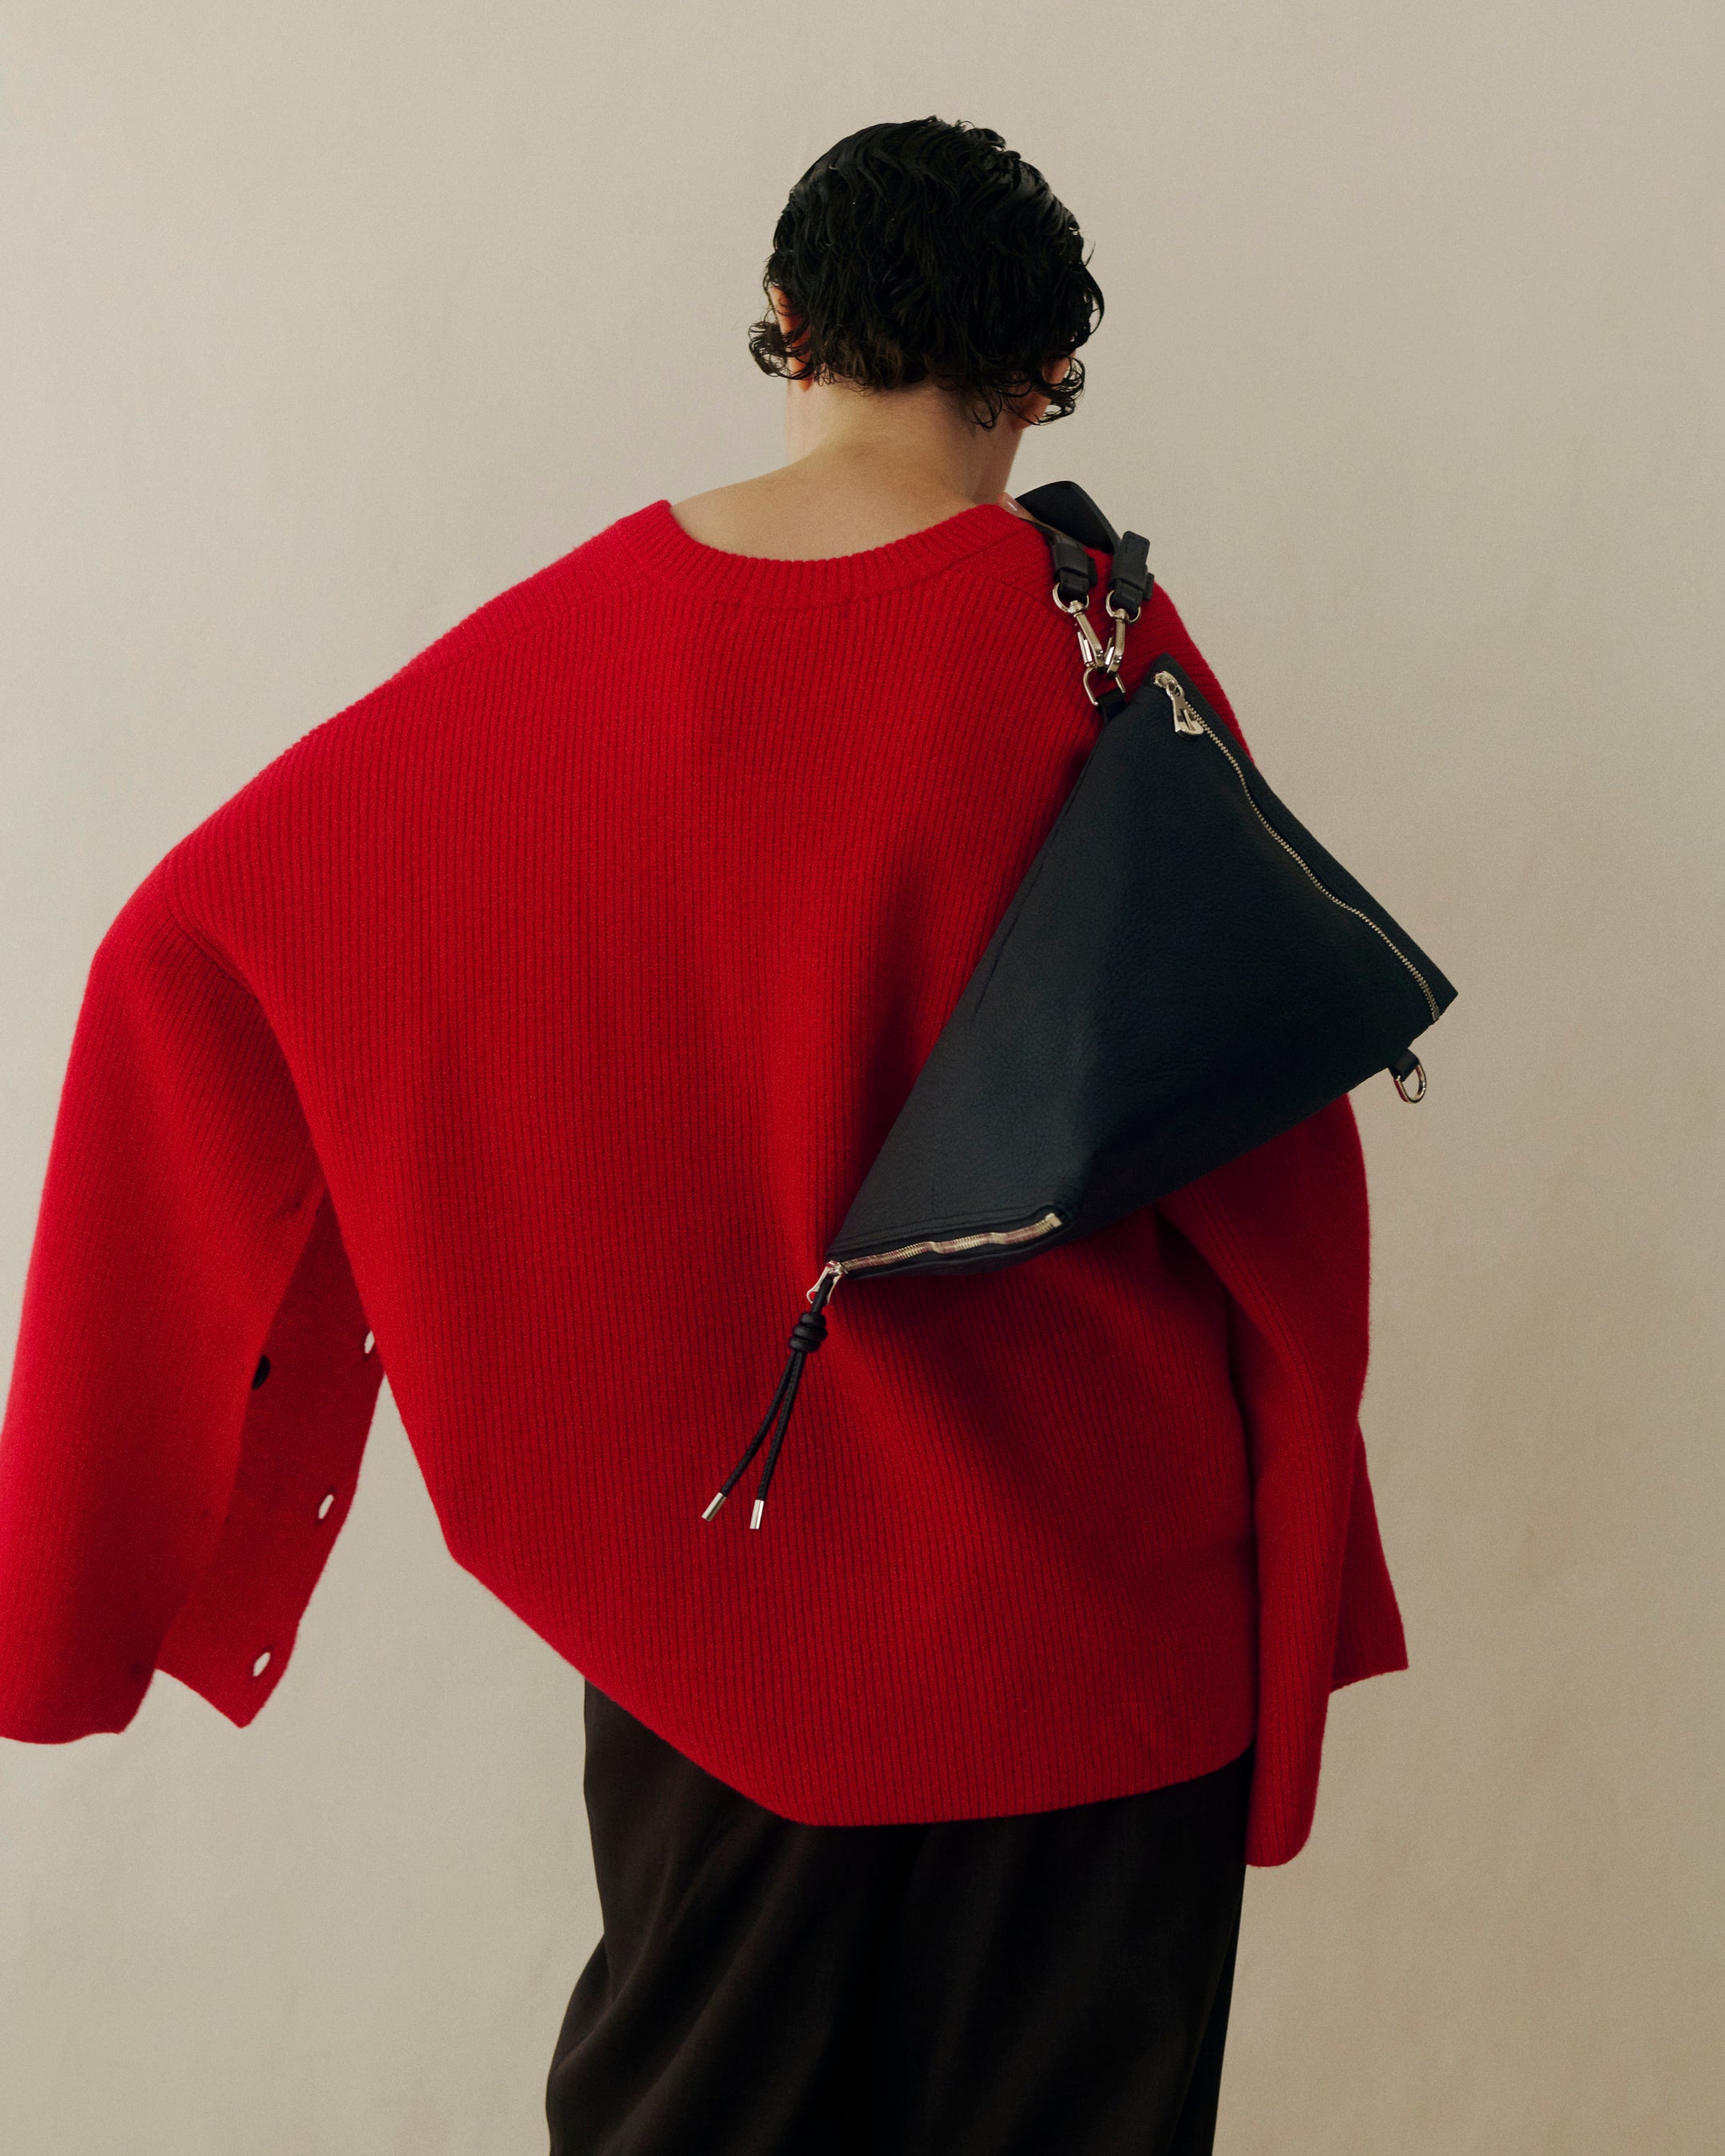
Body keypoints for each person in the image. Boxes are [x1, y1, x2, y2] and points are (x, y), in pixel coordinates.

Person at [0, 117, 1406, 2154]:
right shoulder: (1094, 646)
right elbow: (1274, 1190)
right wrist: (1296, 1592)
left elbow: (190, 950)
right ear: (1044, 373)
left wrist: (81, 1573)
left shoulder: (543, 664)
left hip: (723, 1637)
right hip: (1106, 1641)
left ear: (782, 322)